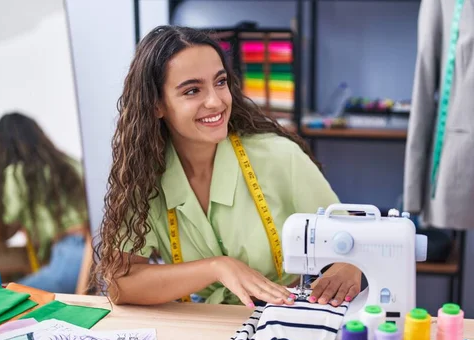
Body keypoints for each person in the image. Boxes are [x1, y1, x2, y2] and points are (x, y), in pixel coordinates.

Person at [93, 25, 362, 308]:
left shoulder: (279, 156)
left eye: (220, 82)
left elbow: (353, 240)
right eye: (193, 90)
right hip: (206, 325)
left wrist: (351, 266)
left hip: (281, 319)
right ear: (157, 105)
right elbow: (119, 283)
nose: (216, 101)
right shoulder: (146, 175)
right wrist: (217, 268)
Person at [0, 112, 90, 293]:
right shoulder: (71, 165)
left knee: (2, 296)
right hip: (95, 251)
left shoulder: (16, 175)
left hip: (70, 255)